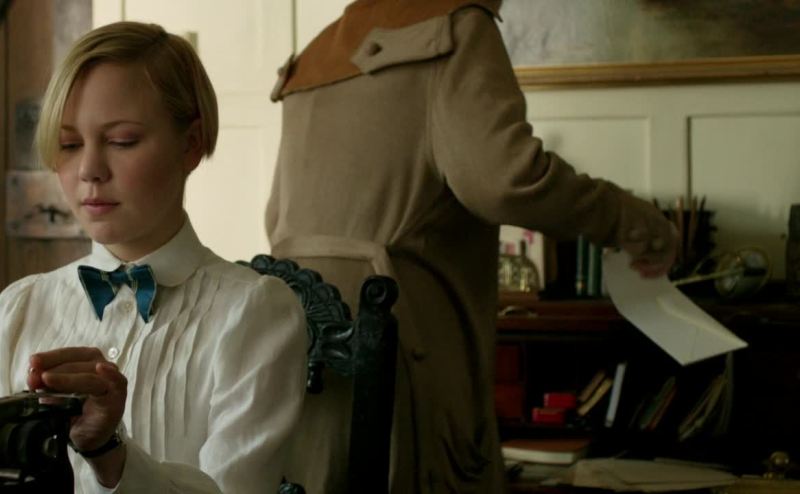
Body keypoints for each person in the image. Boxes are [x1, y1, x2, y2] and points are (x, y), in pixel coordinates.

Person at [266, 0, 678, 493]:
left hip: (298, 354)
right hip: (406, 347)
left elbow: (276, 218)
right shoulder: (457, 25)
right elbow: (504, 180)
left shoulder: (316, 54)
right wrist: (635, 223)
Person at [0, 21, 307, 493]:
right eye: (69, 145)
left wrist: (110, 453)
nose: (89, 170)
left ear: (191, 143)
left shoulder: (254, 314)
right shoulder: (17, 310)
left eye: (122, 140)